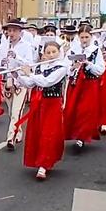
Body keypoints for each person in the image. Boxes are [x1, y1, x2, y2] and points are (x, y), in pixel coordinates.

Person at [16, 41, 68, 179]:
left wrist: (30, 74)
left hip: (52, 104)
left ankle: (44, 165)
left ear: (59, 52)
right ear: (43, 54)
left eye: (54, 52)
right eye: (48, 52)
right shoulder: (41, 67)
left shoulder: (62, 67)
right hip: (39, 104)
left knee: (48, 133)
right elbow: (30, 83)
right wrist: (17, 75)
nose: (51, 55)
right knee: (37, 132)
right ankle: (38, 161)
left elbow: (47, 82)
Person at [63, 25, 106, 148]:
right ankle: (74, 133)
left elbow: (100, 70)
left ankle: (82, 137)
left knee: (86, 110)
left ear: (91, 37)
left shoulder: (95, 50)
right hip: (75, 84)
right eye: (82, 37)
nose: (84, 40)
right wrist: (72, 67)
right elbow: (65, 67)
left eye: (87, 37)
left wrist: (88, 64)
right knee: (73, 109)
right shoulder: (73, 49)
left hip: (90, 84)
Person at [0, 19, 35, 150]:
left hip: (20, 81)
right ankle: (17, 132)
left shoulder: (26, 46)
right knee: (11, 112)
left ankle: (11, 138)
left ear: (20, 32)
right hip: (7, 81)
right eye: (9, 30)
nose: (11, 33)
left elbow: (29, 65)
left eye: (14, 30)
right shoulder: (3, 46)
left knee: (16, 111)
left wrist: (17, 57)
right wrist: (2, 63)